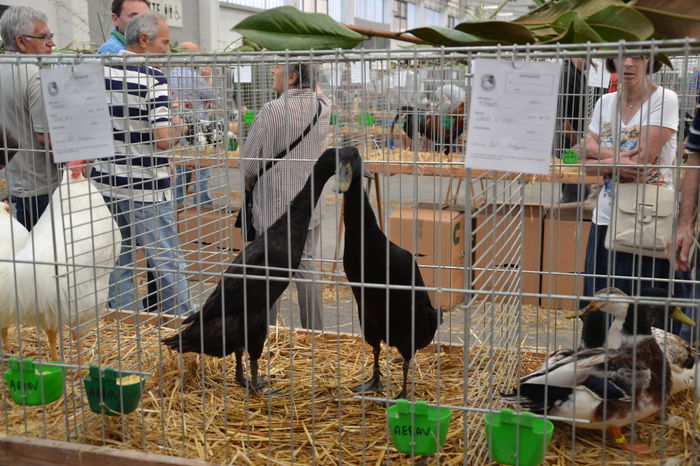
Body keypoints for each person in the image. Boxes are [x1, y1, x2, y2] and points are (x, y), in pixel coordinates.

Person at [583, 55, 692, 338]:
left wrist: (599, 152)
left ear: (650, 61)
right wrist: (618, 159)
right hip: (606, 217)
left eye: (638, 57)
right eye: (622, 56)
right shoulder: (604, 103)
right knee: (602, 312)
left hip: (650, 217)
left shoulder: (664, 99)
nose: (628, 63)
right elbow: (584, 160)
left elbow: (643, 161)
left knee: (652, 317)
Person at [91, 12, 192, 316]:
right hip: (147, 187)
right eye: (164, 42)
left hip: (106, 183)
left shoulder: (101, 71)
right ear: (144, 40)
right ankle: (188, 325)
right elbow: (162, 139)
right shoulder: (153, 76)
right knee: (167, 261)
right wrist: (180, 127)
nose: (167, 49)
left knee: (117, 261)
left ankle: (122, 326)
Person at [239, 62, 331, 330]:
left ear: (291, 77)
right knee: (306, 266)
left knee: (268, 270)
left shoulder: (271, 111)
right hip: (309, 206)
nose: (271, 70)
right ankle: (315, 334)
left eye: (277, 66)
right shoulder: (323, 107)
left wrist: (249, 186)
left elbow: (248, 165)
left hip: (273, 206)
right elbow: (319, 90)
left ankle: (267, 334)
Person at [0, 6, 59, 230]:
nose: (51, 43)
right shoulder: (35, 75)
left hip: (15, 182)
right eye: (44, 37)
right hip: (41, 186)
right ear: (21, 42)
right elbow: (46, 137)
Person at [169, 41, 215, 207]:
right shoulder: (194, 76)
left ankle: (176, 202)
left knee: (182, 166)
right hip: (197, 127)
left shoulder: (172, 73)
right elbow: (211, 95)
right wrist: (207, 79)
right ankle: (203, 202)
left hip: (177, 126)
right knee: (201, 165)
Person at [556, 58, 590, 203]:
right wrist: (579, 142)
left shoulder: (577, 74)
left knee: (579, 188)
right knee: (574, 191)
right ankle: (566, 220)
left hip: (572, 144)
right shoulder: (566, 74)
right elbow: (561, 121)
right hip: (568, 145)